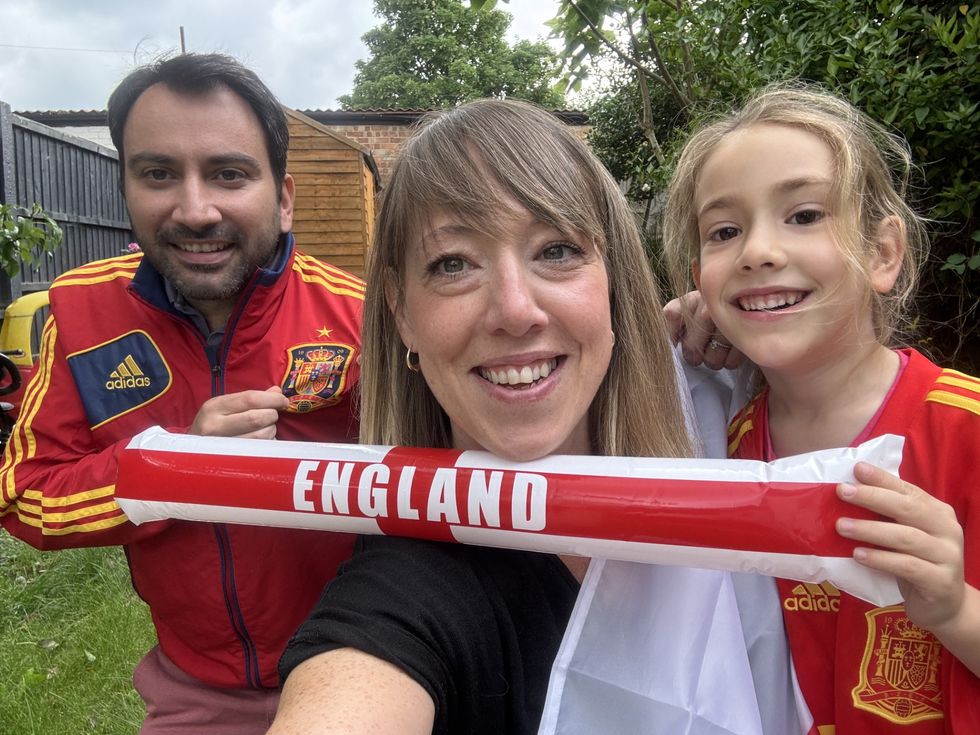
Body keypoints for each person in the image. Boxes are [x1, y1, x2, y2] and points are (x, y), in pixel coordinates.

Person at [268, 98, 795, 735]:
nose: (515, 311)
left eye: (556, 250)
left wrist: (764, 335)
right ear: (400, 310)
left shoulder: (733, 417)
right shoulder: (405, 596)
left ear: (614, 279)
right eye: (453, 264)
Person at [0, 53, 364, 734]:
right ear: (126, 189)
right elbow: (24, 495)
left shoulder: (361, 318)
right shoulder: (79, 312)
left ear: (284, 199)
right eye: (159, 173)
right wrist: (170, 469)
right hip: (196, 689)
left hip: (360, 665)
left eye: (229, 173)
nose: (195, 210)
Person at [663, 83, 980, 733]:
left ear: (882, 252)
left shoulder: (966, 430)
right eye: (725, 231)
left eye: (804, 215)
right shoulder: (715, 445)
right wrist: (665, 358)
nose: (757, 251)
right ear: (701, 277)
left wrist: (956, 609)